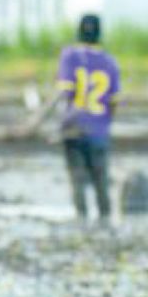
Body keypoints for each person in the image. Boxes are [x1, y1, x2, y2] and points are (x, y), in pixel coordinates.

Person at [33, 13, 121, 222]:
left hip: (73, 128)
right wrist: (105, 123)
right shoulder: (110, 62)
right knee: (101, 181)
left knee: (78, 179)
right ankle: (105, 223)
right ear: (100, 33)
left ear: (78, 31)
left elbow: (63, 92)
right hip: (99, 130)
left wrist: (37, 119)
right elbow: (114, 102)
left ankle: (82, 220)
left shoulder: (70, 55)